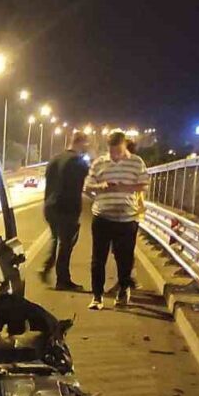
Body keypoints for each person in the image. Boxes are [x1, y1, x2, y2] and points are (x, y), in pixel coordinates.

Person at [83, 129, 149, 310]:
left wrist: (125, 187)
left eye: (118, 151)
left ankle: (123, 289)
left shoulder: (136, 163)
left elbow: (144, 185)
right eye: (112, 151)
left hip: (127, 220)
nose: (114, 154)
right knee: (98, 259)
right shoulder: (99, 163)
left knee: (124, 259)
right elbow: (87, 187)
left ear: (125, 145)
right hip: (102, 217)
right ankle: (97, 296)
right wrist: (101, 186)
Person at [40, 129, 91, 291]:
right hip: (67, 208)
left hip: (50, 207)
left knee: (57, 239)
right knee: (66, 244)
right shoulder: (78, 161)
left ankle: (47, 267)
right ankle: (63, 280)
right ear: (81, 143)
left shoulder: (54, 159)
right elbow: (87, 183)